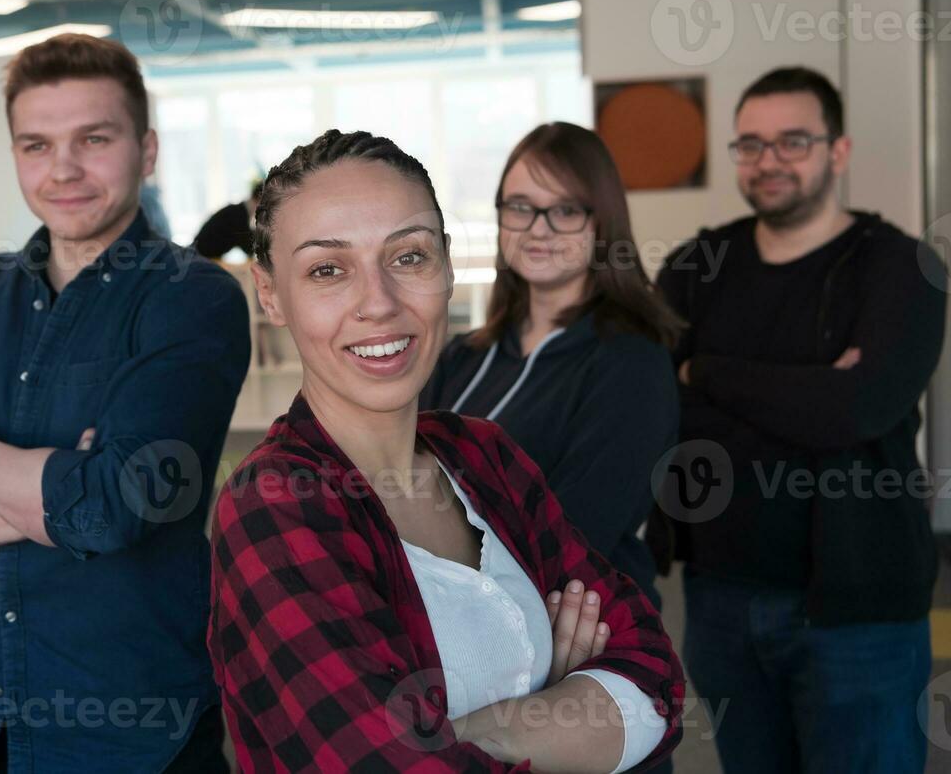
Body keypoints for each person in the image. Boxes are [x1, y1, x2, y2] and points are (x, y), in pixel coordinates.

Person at [209, 129, 684, 772]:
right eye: (328, 269)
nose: (378, 303)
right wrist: (567, 705)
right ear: (270, 294)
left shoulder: (483, 454)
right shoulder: (272, 507)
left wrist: (479, 734)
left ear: (448, 265)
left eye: (408, 257)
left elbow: (655, 680)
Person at [0, 34, 251, 773]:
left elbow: (116, 510)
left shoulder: (190, 298)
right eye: (36, 145)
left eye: (93, 139)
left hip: (135, 730)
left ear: (148, 149)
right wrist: (65, 487)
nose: (62, 169)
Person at [653, 66, 946, 773]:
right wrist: (808, 394)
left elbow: (858, 409)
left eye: (792, 141)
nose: (768, 160)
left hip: (859, 612)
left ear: (837, 151)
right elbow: (661, 409)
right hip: (720, 600)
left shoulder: (900, 268)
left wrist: (709, 371)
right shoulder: (698, 266)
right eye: (750, 144)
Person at [421, 122, 682, 607]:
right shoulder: (462, 357)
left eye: (564, 210)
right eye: (520, 207)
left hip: (584, 641)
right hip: (451, 625)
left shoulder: (631, 364)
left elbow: (573, 540)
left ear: (601, 222)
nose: (538, 228)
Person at [192, 179, 262, 259]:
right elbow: (248, 247)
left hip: (202, 254)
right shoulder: (239, 214)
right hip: (201, 256)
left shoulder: (240, 210)